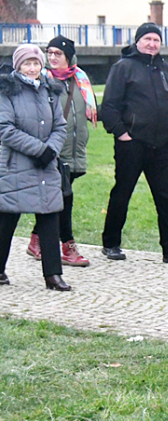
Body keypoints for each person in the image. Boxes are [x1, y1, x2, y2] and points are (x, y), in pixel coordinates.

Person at [101, 22, 168, 264]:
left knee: (167, 198)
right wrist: (121, 133)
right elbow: (109, 106)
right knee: (122, 192)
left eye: (156, 40)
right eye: (147, 39)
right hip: (131, 142)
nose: (152, 44)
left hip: (163, 144)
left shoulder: (166, 69)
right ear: (138, 41)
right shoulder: (123, 68)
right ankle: (111, 243)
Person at [0, 44, 70, 291]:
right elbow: (5, 129)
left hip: (46, 165)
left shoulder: (50, 90)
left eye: (36, 63)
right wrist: (39, 150)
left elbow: (60, 126)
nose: (32, 68)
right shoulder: (7, 91)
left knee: (50, 217)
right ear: (18, 65)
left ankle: (53, 275)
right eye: (26, 64)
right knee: (7, 218)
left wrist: (50, 149)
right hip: (16, 165)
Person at [26, 36, 97, 268]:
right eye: (50, 52)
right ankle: (68, 246)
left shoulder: (81, 79)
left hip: (75, 151)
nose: (53, 57)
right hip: (52, 150)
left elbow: (84, 114)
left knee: (59, 196)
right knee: (64, 198)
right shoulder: (42, 80)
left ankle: (36, 239)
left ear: (69, 57)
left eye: (58, 53)